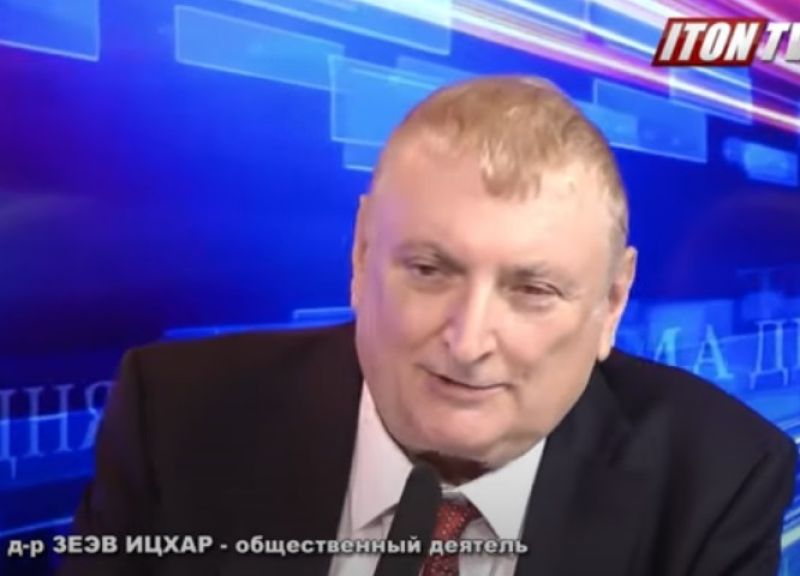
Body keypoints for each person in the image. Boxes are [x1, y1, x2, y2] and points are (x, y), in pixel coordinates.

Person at [59, 76, 797, 576]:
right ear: (361, 253)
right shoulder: (178, 416)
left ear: (611, 303)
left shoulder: (718, 478)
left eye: (533, 290)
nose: (468, 342)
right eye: (429, 270)